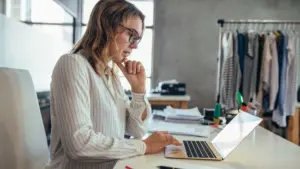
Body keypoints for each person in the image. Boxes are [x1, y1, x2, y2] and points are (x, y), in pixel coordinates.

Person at [45, 0, 181, 169]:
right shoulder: (72, 64)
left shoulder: (111, 76)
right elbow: (78, 144)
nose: (135, 46)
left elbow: (136, 131)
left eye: (138, 39)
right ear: (107, 26)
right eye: (132, 35)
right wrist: (145, 146)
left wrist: (138, 91)